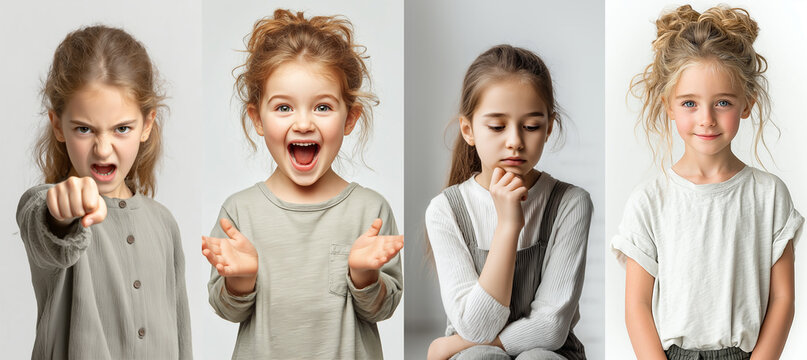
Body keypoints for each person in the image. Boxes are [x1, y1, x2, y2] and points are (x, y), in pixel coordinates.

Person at [201, 9, 403, 359]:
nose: (304, 123)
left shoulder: (370, 212)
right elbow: (227, 309)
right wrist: (240, 280)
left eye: (323, 107)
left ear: (350, 118)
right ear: (257, 118)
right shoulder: (238, 213)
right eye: (284, 108)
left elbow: (381, 310)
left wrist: (364, 276)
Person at [612, 5, 803, 360]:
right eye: (689, 103)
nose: (706, 119)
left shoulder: (768, 195)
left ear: (747, 104)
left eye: (722, 103)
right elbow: (636, 306)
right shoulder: (649, 201)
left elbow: (783, 299)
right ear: (668, 105)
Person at [16, 25, 192, 359]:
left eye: (122, 129)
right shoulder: (48, 205)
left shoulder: (164, 223)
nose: (103, 149)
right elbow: (45, 223)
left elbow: (181, 333)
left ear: (147, 125)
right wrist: (61, 212)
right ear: (58, 125)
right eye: (84, 129)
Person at [426, 44, 591, 360]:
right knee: (479, 357)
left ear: (549, 128)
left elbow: (550, 328)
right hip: (474, 349)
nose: (515, 140)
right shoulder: (445, 210)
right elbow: (475, 327)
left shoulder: (570, 203)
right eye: (497, 126)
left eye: (531, 126)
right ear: (468, 129)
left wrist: (451, 346)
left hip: (550, 352)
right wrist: (508, 225)